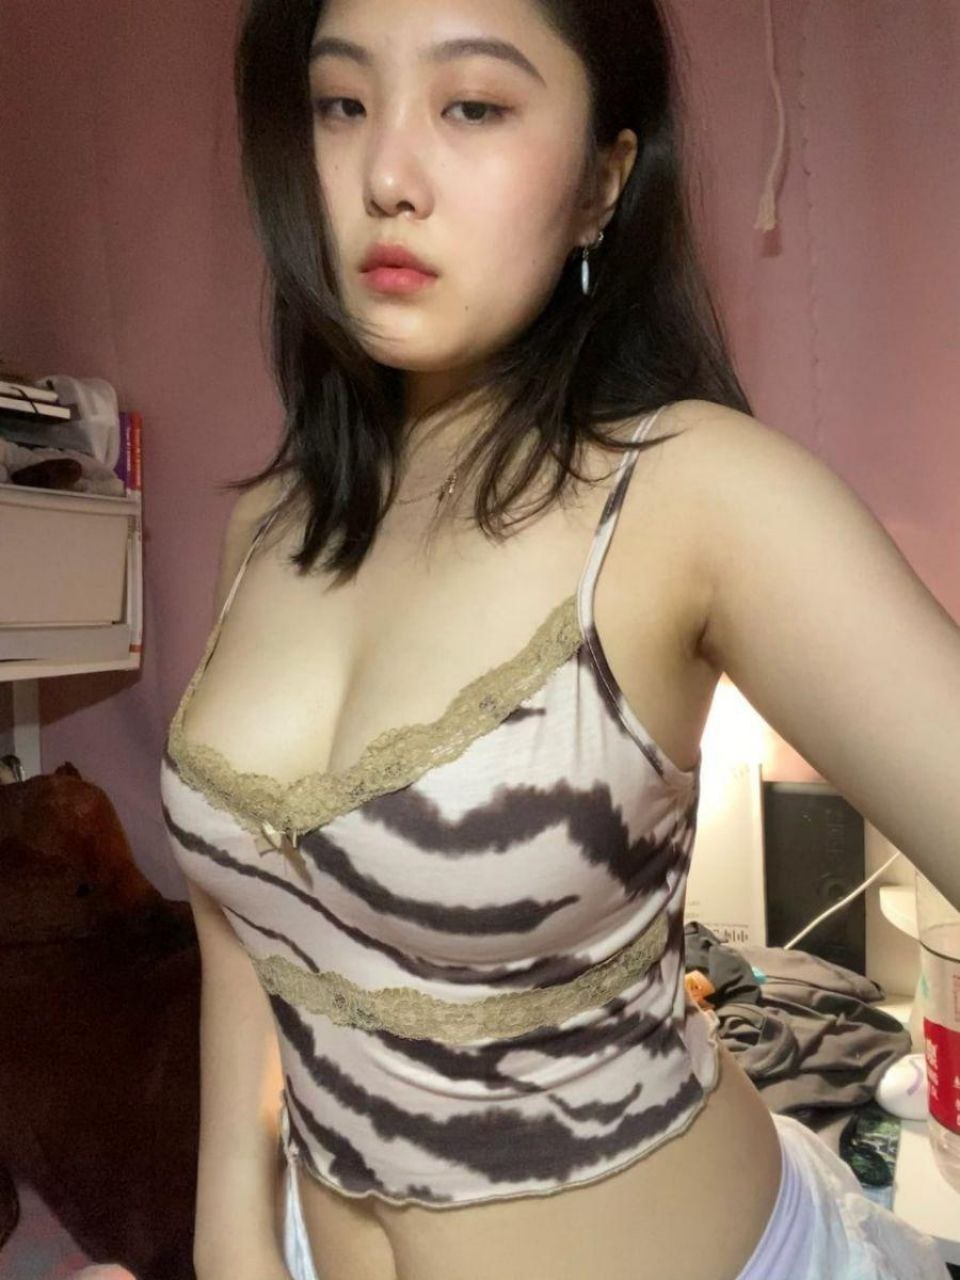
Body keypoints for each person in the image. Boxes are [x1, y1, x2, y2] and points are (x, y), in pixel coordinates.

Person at [160, 0, 959, 1277]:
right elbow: (245, 924)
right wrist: (231, 1240)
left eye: (473, 105)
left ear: (603, 181)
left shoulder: (696, 494)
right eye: (341, 103)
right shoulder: (270, 522)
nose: (386, 175)